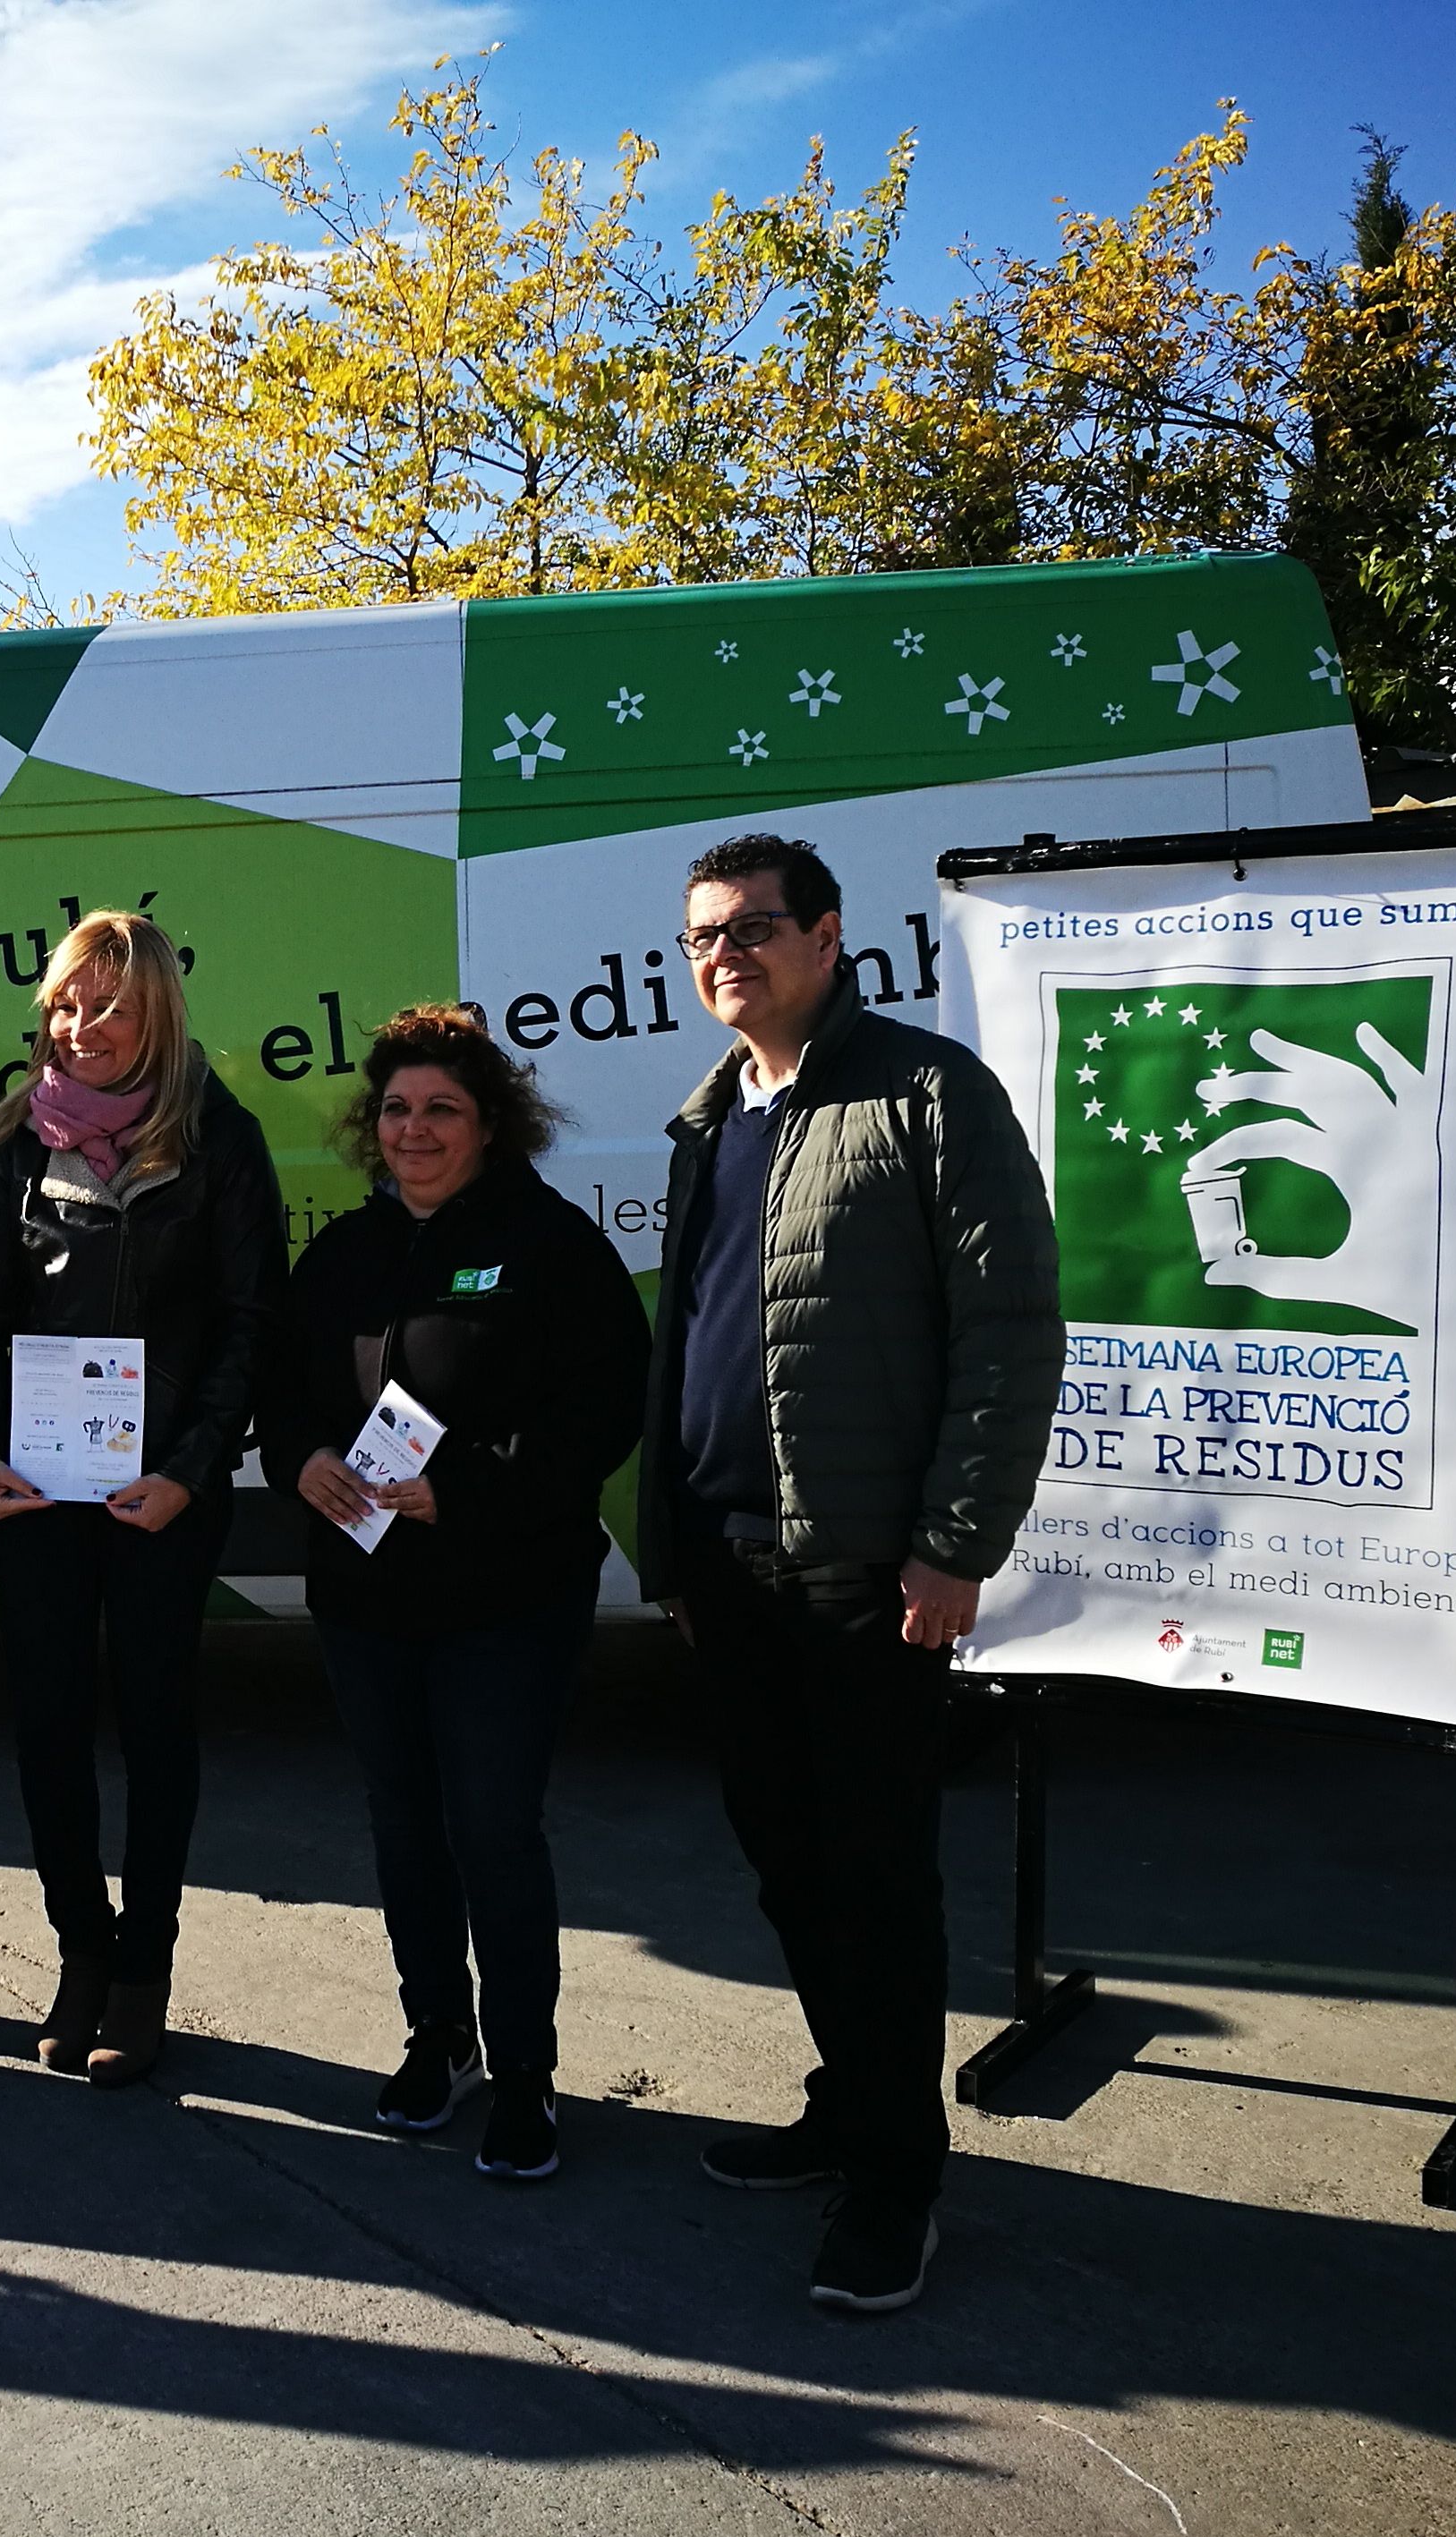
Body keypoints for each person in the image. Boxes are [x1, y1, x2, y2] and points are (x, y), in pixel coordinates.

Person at [646, 834, 1061, 2314]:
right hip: (727, 1563)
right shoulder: (711, 1117)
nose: (726, 953)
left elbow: (1007, 1333)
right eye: (703, 934)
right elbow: (688, 1343)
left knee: (873, 1878)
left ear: (827, 936)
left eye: (755, 927)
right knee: (784, 1861)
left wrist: (955, 1548)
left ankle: (899, 2177)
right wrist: (670, 1540)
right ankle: (849, 2106)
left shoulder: (922, 1092)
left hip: (861, 1573)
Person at [260, 1004, 648, 2184]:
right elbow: (283, 1395)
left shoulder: (551, 1245)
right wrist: (303, 1462)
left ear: (491, 1126)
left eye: (442, 1110)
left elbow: (603, 1417)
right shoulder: (342, 1255)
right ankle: (442, 2038)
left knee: (491, 1830)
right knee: (403, 1827)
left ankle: (525, 2073)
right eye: (396, 1110)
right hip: (365, 1598)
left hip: (505, 1597)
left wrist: (466, 1490)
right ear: (370, 1127)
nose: (415, 1130)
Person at [0, 911, 282, 2085]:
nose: (83, 1027)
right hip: (38, 1498)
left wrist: (191, 1469)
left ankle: (144, 1975)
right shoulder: (17, 1147)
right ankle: (79, 1958)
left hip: (162, 1502)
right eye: (67, 1005)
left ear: (156, 1019)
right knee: (45, 1731)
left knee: (154, 1733)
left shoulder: (217, 1144)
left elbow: (252, 1326)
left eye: (110, 1007)